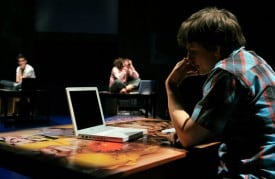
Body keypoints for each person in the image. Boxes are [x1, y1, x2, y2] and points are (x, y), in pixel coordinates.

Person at [165, 7, 275, 178]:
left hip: (253, 173)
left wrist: (171, 85)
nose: (187, 59)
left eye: (192, 52)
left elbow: (188, 136)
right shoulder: (254, 61)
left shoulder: (227, 73)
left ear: (216, 48)